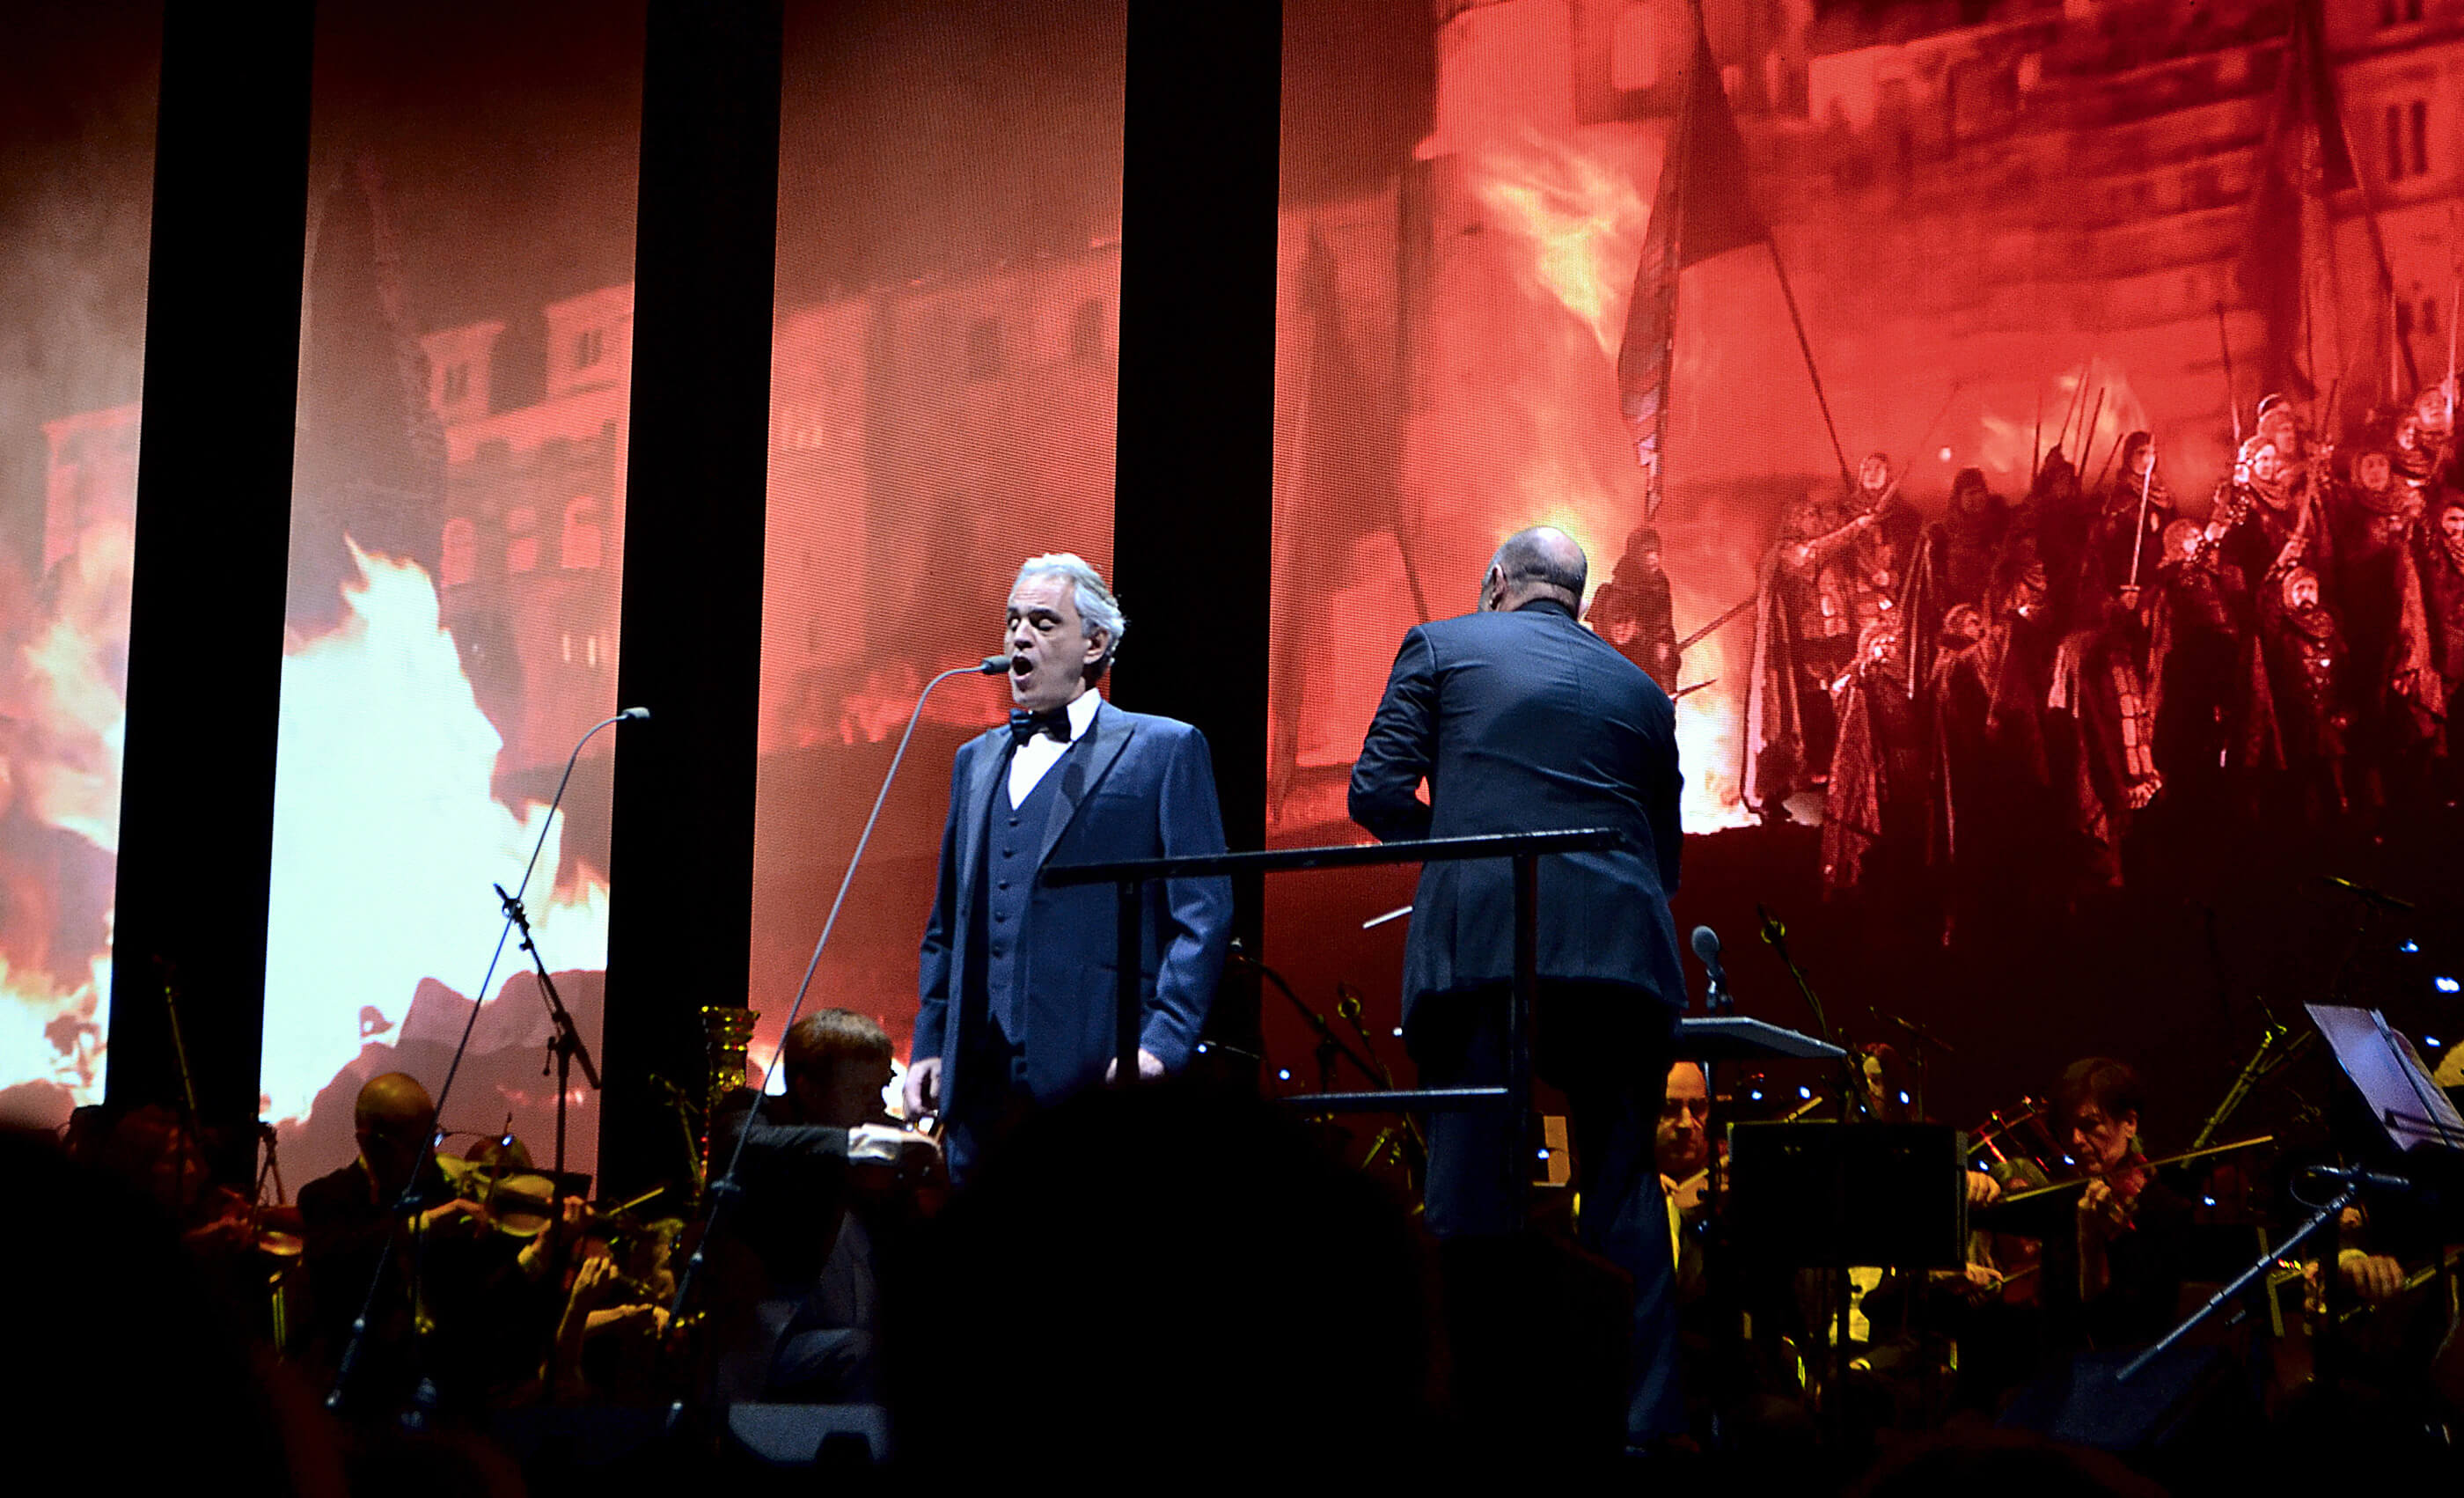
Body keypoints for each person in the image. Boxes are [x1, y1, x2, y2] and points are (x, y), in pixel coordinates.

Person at [1350, 525, 1688, 1448]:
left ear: (1496, 579)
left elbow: (1374, 790)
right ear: (1576, 598)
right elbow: (1665, 853)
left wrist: (1462, 855)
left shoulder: (1442, 645)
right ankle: (1641, 1432)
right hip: (1622, 954)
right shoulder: (1638, 688)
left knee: (1470, 1188)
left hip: (1487, 947)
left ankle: (1470, 1423)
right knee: (1625, 1189)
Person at [906, 553, 1232, 1180]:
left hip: (1095, 1074)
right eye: (1012, 622)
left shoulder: (1163, 749)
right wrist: (930, 1040)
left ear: (1096, 643)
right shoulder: (975, 761)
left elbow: (1204, 913)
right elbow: (949, 920)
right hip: (979, 1086)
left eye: (1044, 622)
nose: (1020, 636)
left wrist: (1161, 1043)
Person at [714, 1009, 936, 1402]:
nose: (878, 1109)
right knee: (864, 1353)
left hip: (857, 1334)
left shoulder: (880, 1145)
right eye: (861, 1093)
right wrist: (863, 1146)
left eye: (881, 1089)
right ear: (810, 1090)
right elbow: (746, 1143)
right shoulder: (750, 1113)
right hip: (768, 1350)